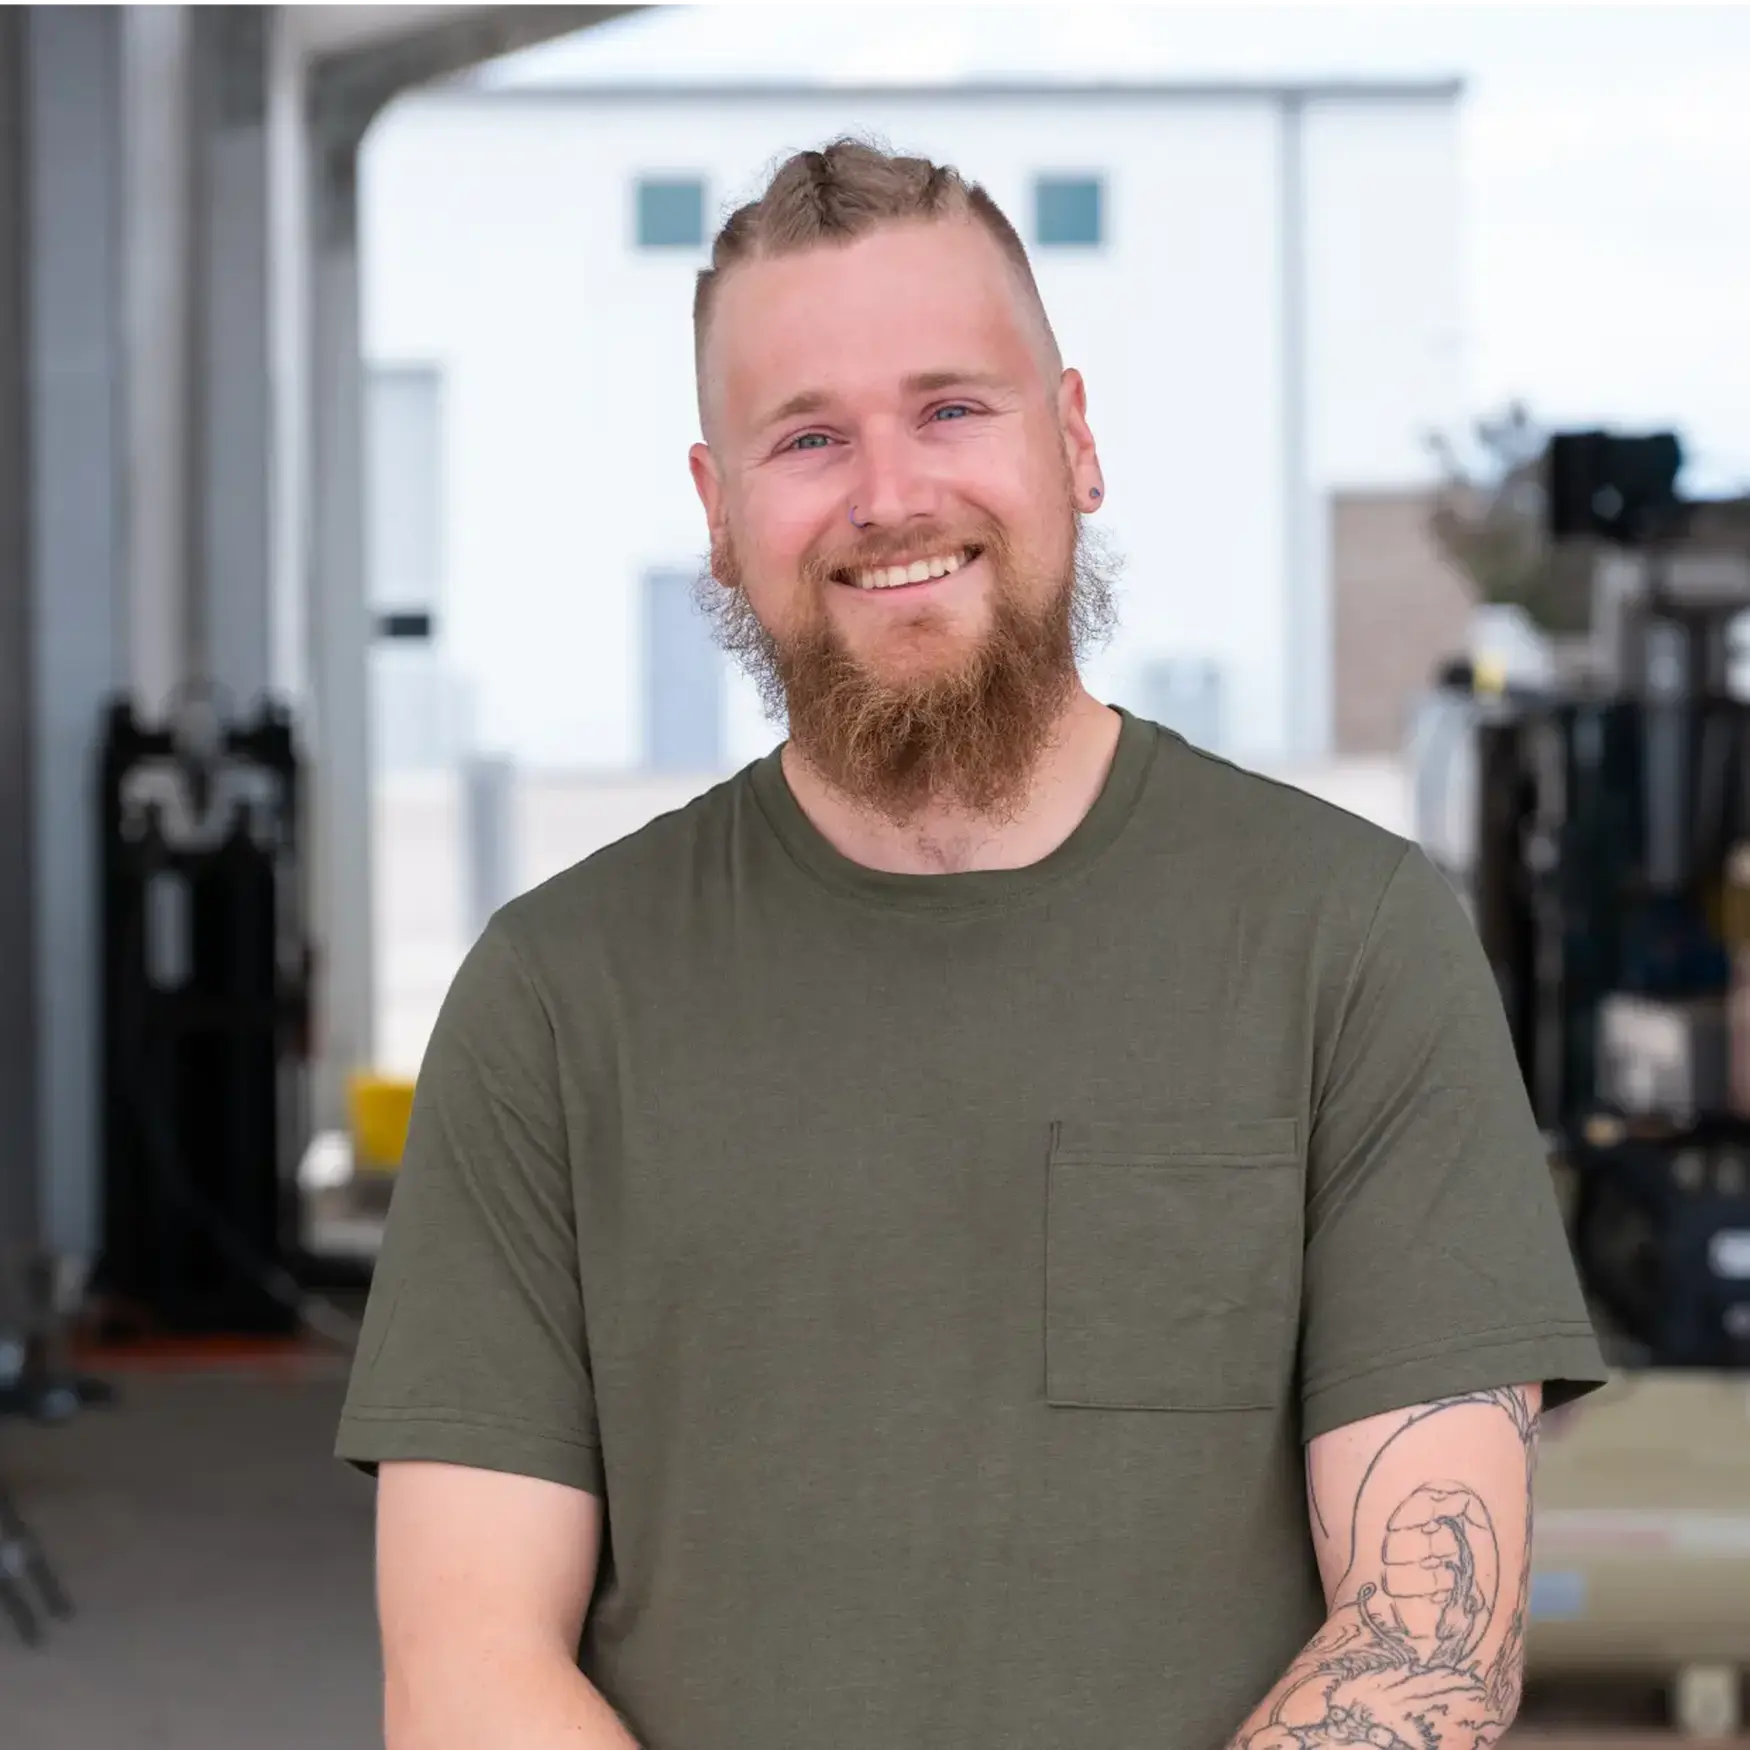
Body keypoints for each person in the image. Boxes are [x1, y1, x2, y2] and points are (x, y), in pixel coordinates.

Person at [336, 139, 1607, 1750]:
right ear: (717, 515)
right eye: (807, 437)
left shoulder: (1348, 943)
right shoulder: (553, 998)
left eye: (951, 407)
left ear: (1071, 438)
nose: (890, 495)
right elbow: (465, 1666)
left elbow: (1424, 1639)